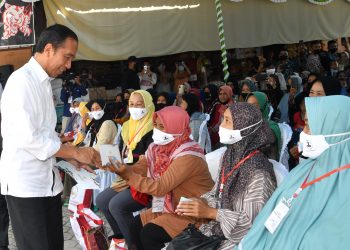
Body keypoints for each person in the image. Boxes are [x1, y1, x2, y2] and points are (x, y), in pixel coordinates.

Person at [0, 24, 101, 250]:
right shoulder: (21, 82)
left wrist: (69, 158)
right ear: (48, 49)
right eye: (67, 57)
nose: (69, 65)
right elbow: (29, 139)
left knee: (54, 244)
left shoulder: (44, 83)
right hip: (26, 185)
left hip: (47, 182)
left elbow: (46, 135)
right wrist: (76, 152)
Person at [237, 95, 350, 250]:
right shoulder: (305, 168)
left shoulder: (344, 186)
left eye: (309, 125)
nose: (303, 132)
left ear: (333, 127)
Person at [106, 106, 214, 250]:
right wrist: (121, 168)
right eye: (155, 125)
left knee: (149, 234)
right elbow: (141, 168)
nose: (156, 130)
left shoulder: (188, 156)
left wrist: (127, 174)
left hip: (193, 212)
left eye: (162, 126)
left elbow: (159, 187)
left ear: (177, 127)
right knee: (134, 227)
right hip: (171, 207)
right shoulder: (157, 148)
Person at [176, 103, 276, 250]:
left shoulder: (259, 172)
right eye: (223, 119)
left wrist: (210, 212)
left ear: (245, 128)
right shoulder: (229, 155)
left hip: (240, 242)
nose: (221, 126)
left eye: (228, 121)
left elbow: (252, 226)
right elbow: (218, 192)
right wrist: (199, 203)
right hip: (217, 231)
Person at [96, 90, 154, 243]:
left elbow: (149, 161)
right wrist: (109, 161)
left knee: (116, 205)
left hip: (143, 179)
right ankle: (121, 238)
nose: (135, 108)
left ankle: (134, 244)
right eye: (132, 104)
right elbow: (122, 153)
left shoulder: (154, 128)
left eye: (139, 104)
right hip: (124, 176)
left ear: (148, 105)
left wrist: (125, 166)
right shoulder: (127, 126)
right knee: (102, 200)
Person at [247, 92, 281, 161]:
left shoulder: (272, 126)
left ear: (264, 106)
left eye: (255, 105)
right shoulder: (245, 124)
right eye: (248, 105)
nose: (250, 109)